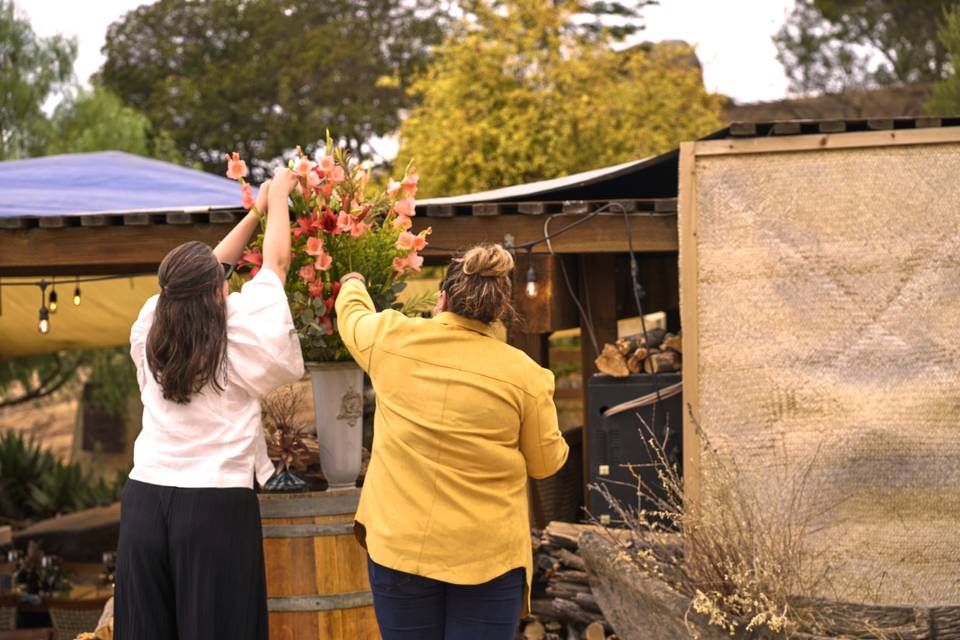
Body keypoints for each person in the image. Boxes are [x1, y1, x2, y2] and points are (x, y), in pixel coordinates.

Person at [335, 243, 570, 640]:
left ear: (442, 299)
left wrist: (353, 283)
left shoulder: (391, 340)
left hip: (402, 549)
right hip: (489, 557)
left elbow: (353, 318)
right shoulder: (527, 377)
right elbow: (546, 463)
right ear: (498, 309)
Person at [114, 169, 305, 640]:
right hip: (214, 507)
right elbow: (275, 267)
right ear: (217, 293)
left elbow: (198, 277)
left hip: (144, 501)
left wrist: (255, 211)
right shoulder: (238, 334)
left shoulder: (150, 324)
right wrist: (278, 195)